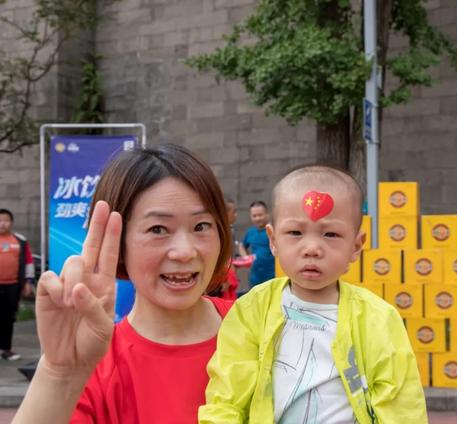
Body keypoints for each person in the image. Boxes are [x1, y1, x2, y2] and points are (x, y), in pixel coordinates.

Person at [12, 144, 232, 424]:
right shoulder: (91, 361)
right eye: (158, 229)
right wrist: (59, 373)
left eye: (201, 226)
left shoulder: (262, 327)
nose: (184, 252)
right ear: (117, 243)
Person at [199, 165, 427, 423]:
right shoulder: (253, 309)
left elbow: (401, 405)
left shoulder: (378, 318)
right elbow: (227, 397)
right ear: (273, 240)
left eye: (331, 234)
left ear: (356, 246)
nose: (312, 248)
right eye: (295, 233)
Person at [0, 208, 35, 361]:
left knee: (8, 318)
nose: (2, 223)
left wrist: (28, 282)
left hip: (13, 286)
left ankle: (6, 350)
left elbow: (28, 262)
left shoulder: (20, 241)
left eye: (6, 220)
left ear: (11, 223)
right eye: (0, 220)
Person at [239, 200, 275, 288]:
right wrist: (246, 257)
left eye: (260, 215)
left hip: (273, 277)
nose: (257, 218)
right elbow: (242, 246)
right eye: (254, 216)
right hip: (255, 278)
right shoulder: (250, 232)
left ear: (267, 214)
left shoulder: (273, 230)